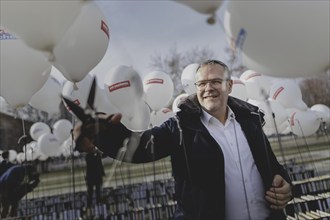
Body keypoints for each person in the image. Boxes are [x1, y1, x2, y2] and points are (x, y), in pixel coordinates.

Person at [74, 60, 292, 220]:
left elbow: (273, 168)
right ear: (196, 88)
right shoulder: (180, 126)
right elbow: (142, 147)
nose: (209, 88)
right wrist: (103, 134)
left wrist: (285, 184)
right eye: (202, 83)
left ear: (230, 86)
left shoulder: (251, 121)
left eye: (216, 81)